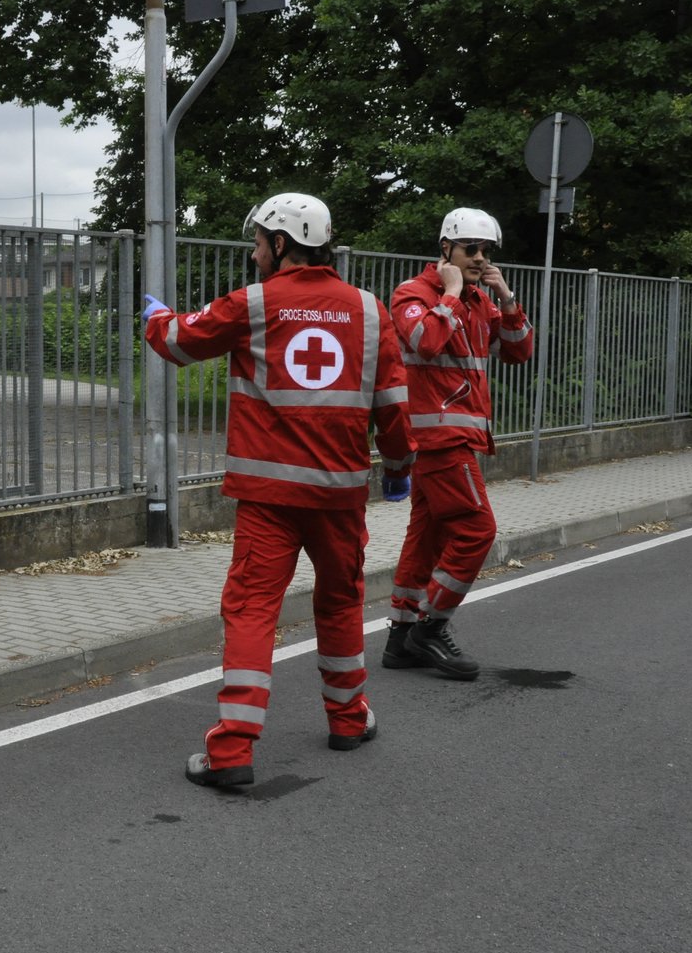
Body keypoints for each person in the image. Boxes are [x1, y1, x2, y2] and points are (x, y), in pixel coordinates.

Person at [142, 192, 413, 788]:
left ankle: (232, 752)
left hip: (269, 498)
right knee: (341, 602)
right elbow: (394, 406)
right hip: (340, 496)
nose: (255, 252)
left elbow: (181, 342)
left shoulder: (255, 304)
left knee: (251, 609)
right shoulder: (370, 312)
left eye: (260, 242)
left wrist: (154, 317)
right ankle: (348, 719)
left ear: (282, 243)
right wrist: (396, 468)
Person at [381, 207, 533, 679]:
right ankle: (431, 629)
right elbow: (426, 340)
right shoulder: (413, 294)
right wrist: (448, 293)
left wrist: (505, 297)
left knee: (425, 542)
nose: (479, 258)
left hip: (456, 436)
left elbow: (519, 349)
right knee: (476, 531)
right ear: (446, 248)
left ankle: (401, 640)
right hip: (439, 438)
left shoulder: (479, 299)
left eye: (486, 251)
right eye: (472, 249)